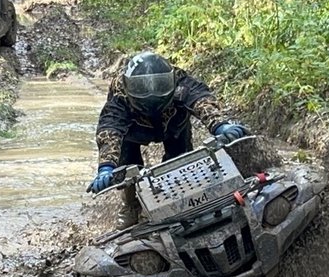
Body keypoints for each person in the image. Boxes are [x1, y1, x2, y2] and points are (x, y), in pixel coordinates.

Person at [87, 52, 249, 198]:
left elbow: (201, 99)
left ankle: (186, 196)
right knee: (128, 172)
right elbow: (109, 130)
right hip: (133, 132)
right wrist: (106, 167)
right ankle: (131, 205)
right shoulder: (119, 95)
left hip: (174, 126)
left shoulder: (180, 81)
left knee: (182, 161)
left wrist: (220, 125)